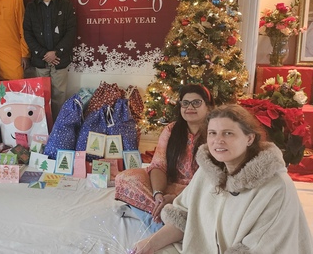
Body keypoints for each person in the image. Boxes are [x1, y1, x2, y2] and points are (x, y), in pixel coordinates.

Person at [131, 104, 313, 254]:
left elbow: (261, 248)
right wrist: (149, 244)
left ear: (249, 138)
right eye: (212, 133)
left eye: (228, 133)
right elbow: (184, 219)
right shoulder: (207, 173)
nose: (218, 140)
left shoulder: (276, 186)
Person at [114, 84, 214, 233]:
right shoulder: (171, 130)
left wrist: (176, 198)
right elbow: (159, 165)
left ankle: (155, 220)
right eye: (185, 103)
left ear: (209, 106)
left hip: (199, 192)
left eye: (197, 102)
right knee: (125, 178)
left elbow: (214, 179)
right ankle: (164, 220)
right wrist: (158, 194)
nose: (189, 107)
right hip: (169, 186)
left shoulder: (215, 132)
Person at [23, 0, 77, 119]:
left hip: (60, 59)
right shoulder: (31, 7)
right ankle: (44, 129)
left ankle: (59, 130)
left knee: (59, 96)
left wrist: (56, 52)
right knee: (41, 96)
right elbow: (28, 33)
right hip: (40, 61)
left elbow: (71, 31)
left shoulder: (65, 5)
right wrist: (43, 53)